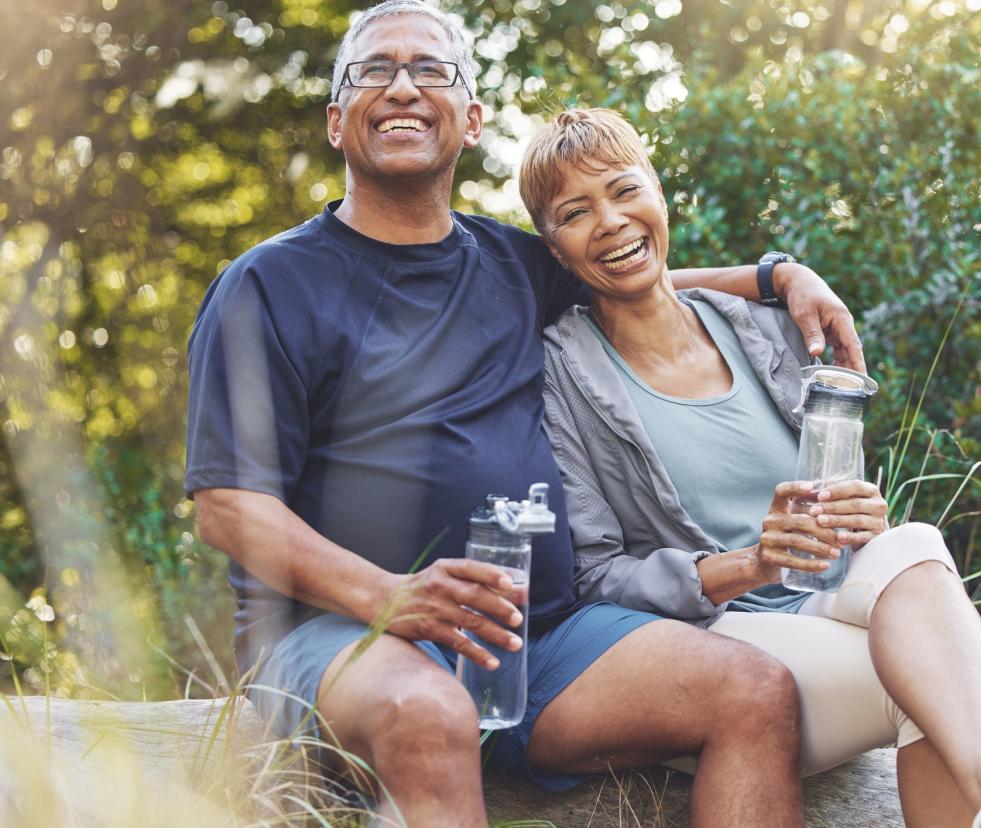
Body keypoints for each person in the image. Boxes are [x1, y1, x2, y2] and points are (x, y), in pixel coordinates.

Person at [185, 3, 866, 825]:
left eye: (431, 70)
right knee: (429, 712)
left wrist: (776, 275)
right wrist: (390, 597)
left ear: (470, 120)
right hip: (341, 635)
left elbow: (637, 275)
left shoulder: (513, 264)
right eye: (373, 70)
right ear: (338, 121)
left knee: (749, 689)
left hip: (537, 637)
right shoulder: (267, 286)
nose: (402, 87)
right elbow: (229, 508)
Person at [523, 108, 981, 828]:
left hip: (830, 604)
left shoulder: (760, 325)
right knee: (923, 689)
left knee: (913, 541)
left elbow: (837, 508)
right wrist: (750, 563)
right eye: (576, 212)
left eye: (623, 190)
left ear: (659, 194)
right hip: (712, 643)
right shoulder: (558, 373)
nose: (609, 221)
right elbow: (596, 575)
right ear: (552, 248)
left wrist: (858, 519)